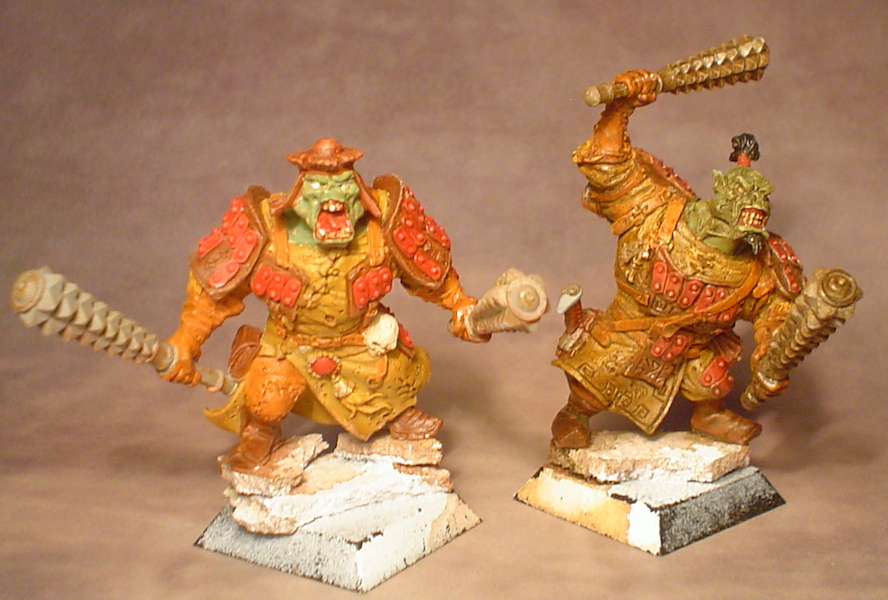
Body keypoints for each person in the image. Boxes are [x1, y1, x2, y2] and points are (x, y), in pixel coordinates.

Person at [163, 138, 488, 472]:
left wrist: (459, 304)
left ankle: (395, 413)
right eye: (320, 186)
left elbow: (428, 271)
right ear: (299, 191)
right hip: (290, 347)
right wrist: (187, 340)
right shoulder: (267, 227)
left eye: (343, 185)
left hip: (361, 343)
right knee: (268, 399)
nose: (334, 199)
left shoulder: (382, 222)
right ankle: (261, 432)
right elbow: (214, 290)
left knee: (392, 374)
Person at [552, 70, 803, 448]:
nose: (754, 208)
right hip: (629, 332)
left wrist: (772, 351)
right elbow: (606, 164)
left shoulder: (762, 259)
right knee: (593, 383)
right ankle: (573, 415)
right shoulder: (656, 207)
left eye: (760, 200)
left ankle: (709, 415)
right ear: (721, 194)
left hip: (695, 346)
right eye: (742, 197)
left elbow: (777, 309)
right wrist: (620, 108)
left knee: (711, 378)